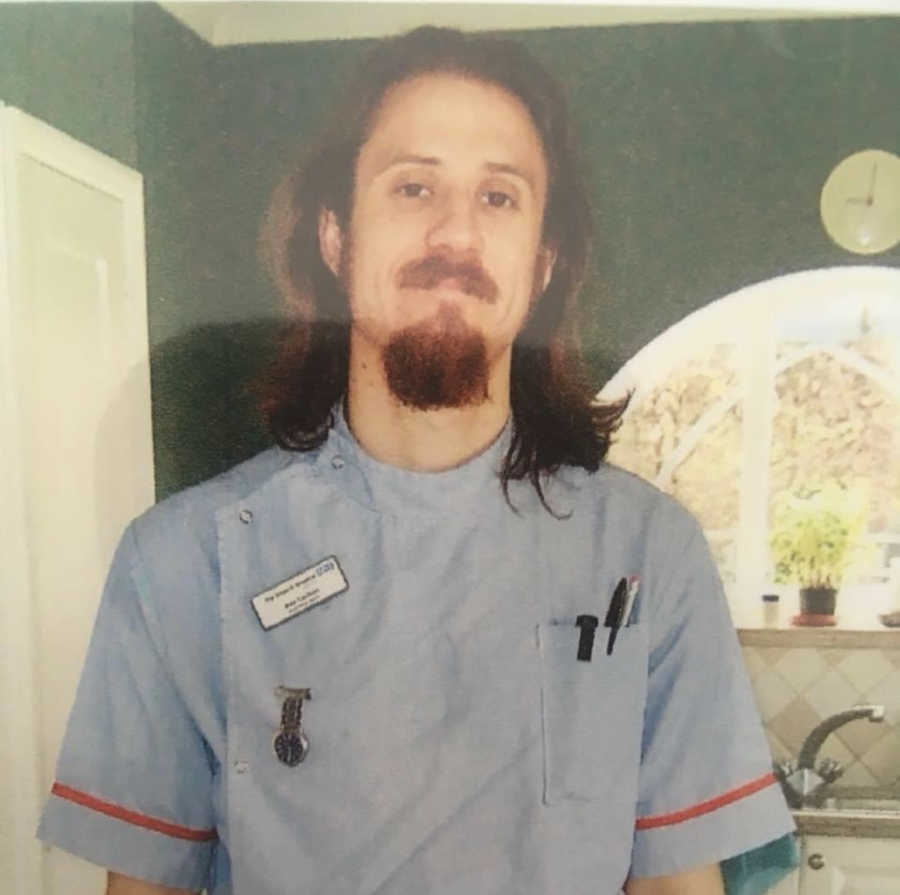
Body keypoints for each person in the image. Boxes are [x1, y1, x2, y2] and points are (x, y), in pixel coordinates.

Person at [38, 26, 795, 895]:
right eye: (413, 185)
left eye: (500, 198)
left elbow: (676, 887)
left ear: (541, 265)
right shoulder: (179, 564)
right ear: (335, 239)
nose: (455, 233)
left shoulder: (649, 559)